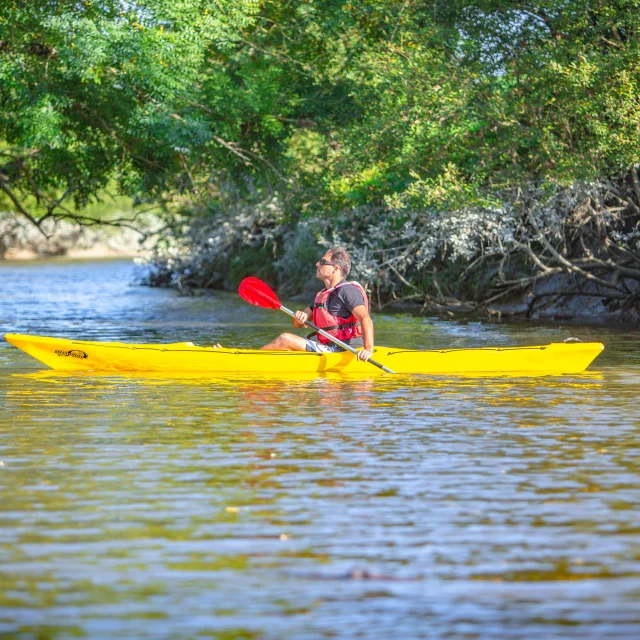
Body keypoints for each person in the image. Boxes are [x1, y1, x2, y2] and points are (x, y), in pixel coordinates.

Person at [260, 247, 374, 361]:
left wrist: (368, 349)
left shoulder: (348, 291)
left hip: (347, 350)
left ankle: (248, 361)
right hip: (329, 348)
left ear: (336, 268)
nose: (317, 264)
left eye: (323, 262)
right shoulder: (323, 295)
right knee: (286, 343)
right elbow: (297, 325)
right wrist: (300, 317)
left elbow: (365, 319)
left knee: (285, 339)